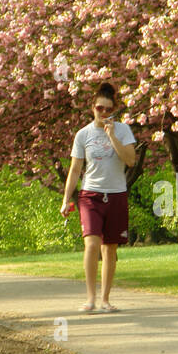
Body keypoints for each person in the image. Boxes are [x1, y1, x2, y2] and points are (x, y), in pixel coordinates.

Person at [60, 82, 137, 313]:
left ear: (113, 110)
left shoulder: (123, 130)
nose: (103, 113)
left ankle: (105, 299)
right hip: (90, 195)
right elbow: (75, 169)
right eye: (99, 108)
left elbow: (130, 160)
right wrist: (66, 199)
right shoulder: (82, 135)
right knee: (92, 244)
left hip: (116, 194)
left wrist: (112, 136)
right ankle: (90, 298)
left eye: (108, 109)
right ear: (92, 108)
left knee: (109, 248)